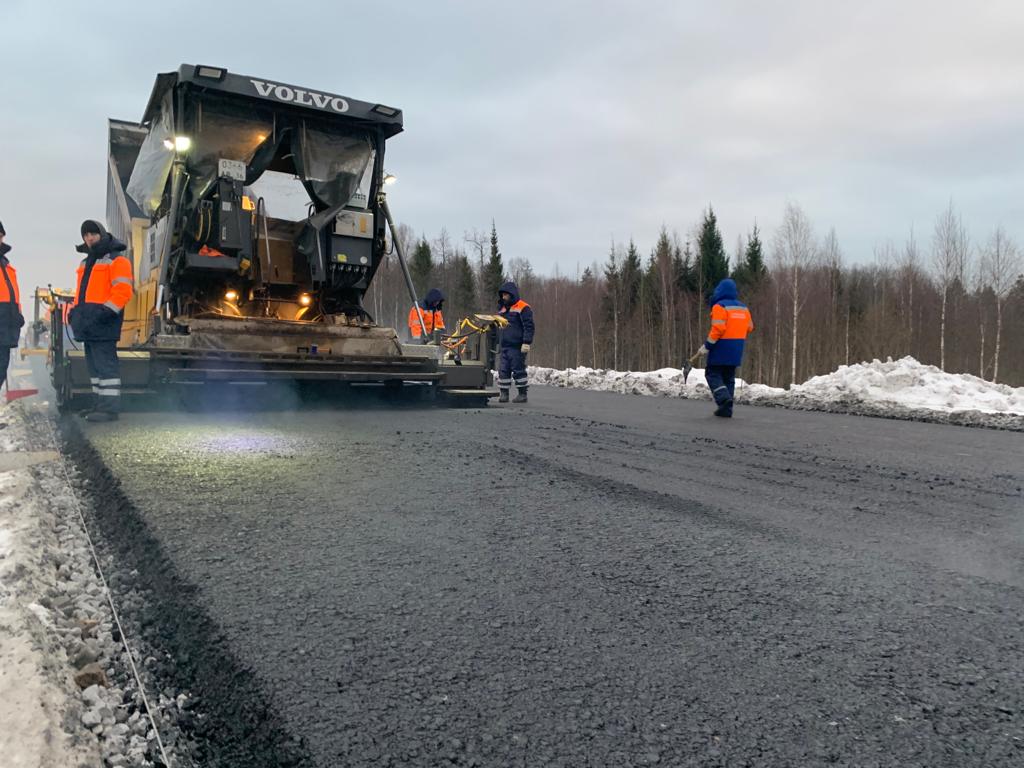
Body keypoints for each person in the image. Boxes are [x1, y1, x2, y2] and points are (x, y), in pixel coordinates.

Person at [68, 220, 133, 421]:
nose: (89, 238)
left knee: (106, 367)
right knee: (94, 368)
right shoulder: (85, 263)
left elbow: (123, 292)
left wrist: (105, 312)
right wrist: (74, 312)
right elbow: (81, 293)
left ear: (102, 234)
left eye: (93, 234)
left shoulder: (118, 261)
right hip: (88, 322)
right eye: (86, 235)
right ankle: (98, 405)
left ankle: (109, 409)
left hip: (104, 323)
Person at [699, 278, 753, 418]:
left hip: (721, 346)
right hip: (737, 347)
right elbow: (750, 327)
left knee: (712, 373)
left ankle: (723, 399)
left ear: (719, 291)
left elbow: (718, 328)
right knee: (728, 377)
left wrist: (707, 345)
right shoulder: (743, 308)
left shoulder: (720, 306)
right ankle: (726, 410)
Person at [496, 280, 534, 403]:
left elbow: (529, 326)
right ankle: (504, 394)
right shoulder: (502, 309)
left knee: (518, 369)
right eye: (502, 295)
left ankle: (522, 394)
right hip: (505, 345)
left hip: (517, 346)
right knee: (503, 370)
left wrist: (526, 342)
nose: (503, 297)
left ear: (512, 294)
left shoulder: (523, 307)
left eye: (506, 295)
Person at [0, 221, 25, 389]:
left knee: (2, 368)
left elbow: (12, 295)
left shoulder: (7, 266)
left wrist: (18, 316)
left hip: (6, 328)